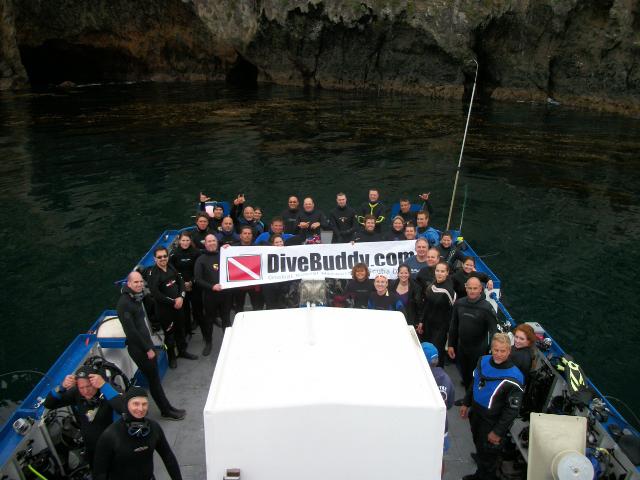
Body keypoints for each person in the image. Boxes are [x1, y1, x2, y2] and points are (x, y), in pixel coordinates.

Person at [117, 272, 185, 420]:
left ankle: (167, 407)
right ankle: (166, 411)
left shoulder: (136, 298)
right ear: (128, 284)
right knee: (154, 381)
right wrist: (148, 349)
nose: (139, 284)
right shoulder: (125, 304)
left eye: (141, 281)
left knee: (156, 380)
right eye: (135, 282)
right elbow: (132, 332)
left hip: (146, 345)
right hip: (139, 349)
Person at [460, 334, 524, 480]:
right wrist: (466, 403)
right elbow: (475, 383)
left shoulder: (515, 377)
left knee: (490, 457)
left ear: (509, 351)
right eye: (496, 350)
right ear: (491, 349)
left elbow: (512, 410)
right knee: (479, 445)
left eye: (503, 351)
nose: (499, 354)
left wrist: (497, 432)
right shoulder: (483, 361)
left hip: (492, 421)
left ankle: (485, 473)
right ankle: (480, 470)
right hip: (476, 414)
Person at [93, 387, 182, 480]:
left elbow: (168, 458)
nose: (140, 408)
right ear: (127, 405)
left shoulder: (154, 428)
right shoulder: (110, 435)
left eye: (144, 404)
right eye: (136, 404)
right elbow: (100, 473)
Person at [44, 365, 124, 467]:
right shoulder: (76, 393)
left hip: (113, 447)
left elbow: (124, 408)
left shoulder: (108, 392)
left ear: (96, 382)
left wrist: (104, 386)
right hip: (91, 447)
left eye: (89, 386)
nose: (85, 391)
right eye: (81, 387)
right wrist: (62, 387)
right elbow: (49, 404)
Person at [148, 246, 198, 369]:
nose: (163, 259)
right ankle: (171, 357)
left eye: (165, 256)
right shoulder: (153, 274)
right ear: (155, 259)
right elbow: (156, 294)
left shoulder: (171, 267)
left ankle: (182, 351)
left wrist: (181, 297)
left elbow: (180, 281)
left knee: (181, 330)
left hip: (178, 306)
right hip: (165, 311)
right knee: (169, 335)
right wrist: (173, 301)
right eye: (159, 257)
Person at [448, 276, 498, 390]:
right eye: (469, 288)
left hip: (478, 348)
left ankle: (471, 399)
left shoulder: (486, 307)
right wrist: (451, 344)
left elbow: (493, 331)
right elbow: (454, 325)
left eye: (475, 288)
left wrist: (492, 350)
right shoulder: (459, 303)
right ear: (465, 288)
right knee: (464, 372)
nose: (472, 291)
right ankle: (467, 394)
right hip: (462, 346)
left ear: (481, 289)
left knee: (475, 375)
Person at [194, 234, 232, 354]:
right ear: (205, 244)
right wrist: (212, 287)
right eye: (208, 241)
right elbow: (198, 279)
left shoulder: (224, 254)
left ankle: (229, 342)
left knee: (226, 318)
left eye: (213, 241)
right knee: (209, 320)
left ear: (217, 242)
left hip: (225, 294)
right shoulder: (201, 259)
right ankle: (209, 342)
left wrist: (230, 248)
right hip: (210, 295)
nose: (211, 243)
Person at [421, 342, 454, 477]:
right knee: (439, 458)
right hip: (441, 427)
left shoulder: (420, 379)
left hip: (424, 428)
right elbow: (450, 403)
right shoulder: (446, 378)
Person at [417, 262, 456, 366]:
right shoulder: (433, 284)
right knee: (425, 350)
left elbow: (452, 313)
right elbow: (427, 304)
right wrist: (421, 321)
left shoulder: (449, 290)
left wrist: (449, 333)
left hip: (440, 328)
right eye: (437, 271)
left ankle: (438, 375)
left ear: (447, 273)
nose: (439, 273)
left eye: (442, 271)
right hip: (428, 324)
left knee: (436, 353)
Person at [169, 231, 202, 335]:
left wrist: (191, 281)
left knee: (197, 305)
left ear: (190, 241)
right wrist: (183, 283)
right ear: (179, 241)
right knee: (185, 307)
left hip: (194, 283)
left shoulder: (196, 252)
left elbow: (198, 269)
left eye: (187, 240)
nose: (185, 242)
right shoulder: (174, 254)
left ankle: (197, 321)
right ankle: (187, 326)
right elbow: (172, 270)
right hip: (181, 285)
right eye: (183, 240)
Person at [232, 226, 265, 312]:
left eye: (249, 233)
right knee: (238, 309)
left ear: (252, 235)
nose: (247, 235)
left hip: (254, 285)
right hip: (238, 285)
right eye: (245, 233)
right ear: (240, 235)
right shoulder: (232, 248)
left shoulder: (258, 248)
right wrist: (225, 248)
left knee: (257, 308)